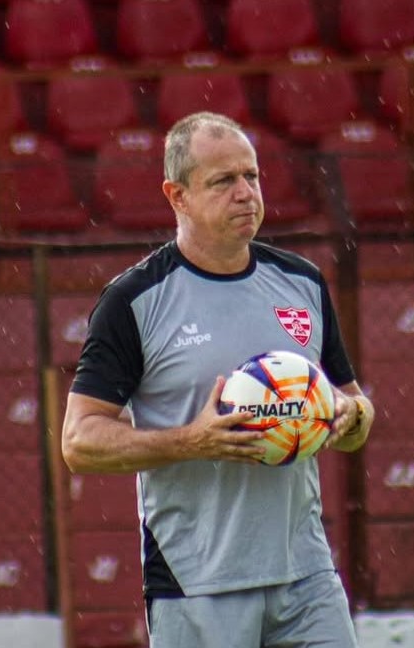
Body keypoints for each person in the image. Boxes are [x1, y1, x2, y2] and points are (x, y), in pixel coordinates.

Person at [61, 111, 375, 647]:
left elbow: (357, 411)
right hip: (197, 583)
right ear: (177, 195)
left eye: (251, 176)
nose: (245, 193)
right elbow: (79, 441)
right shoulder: (134, 302)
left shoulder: (301, 283)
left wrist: (348, 417)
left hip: (307, 575)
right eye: (223, 181)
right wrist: (193, 440)